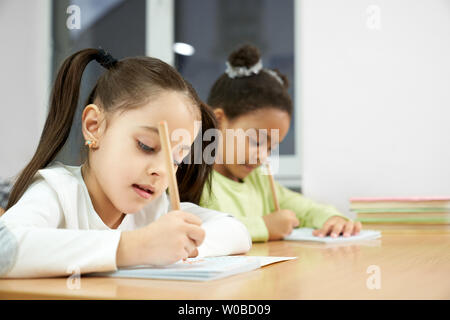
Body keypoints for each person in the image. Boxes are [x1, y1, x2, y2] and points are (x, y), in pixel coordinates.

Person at [0, 48, 251, 278]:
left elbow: (236, 230)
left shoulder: (154, 210)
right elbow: (4, 248)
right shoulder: (58, 192)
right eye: (146, 146)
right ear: (94, 127)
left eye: (176, 159)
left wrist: (183, 246)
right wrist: (137, 246)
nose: (161, 170)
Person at [200, 44, 361, 242]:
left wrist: (333, 218)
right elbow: (202, 232)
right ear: (218, 121)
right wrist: (264, 227)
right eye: (257, 141)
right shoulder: (194, 179)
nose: (263, 156)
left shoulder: (259, 179)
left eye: (271, 148)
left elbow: (304, 208)